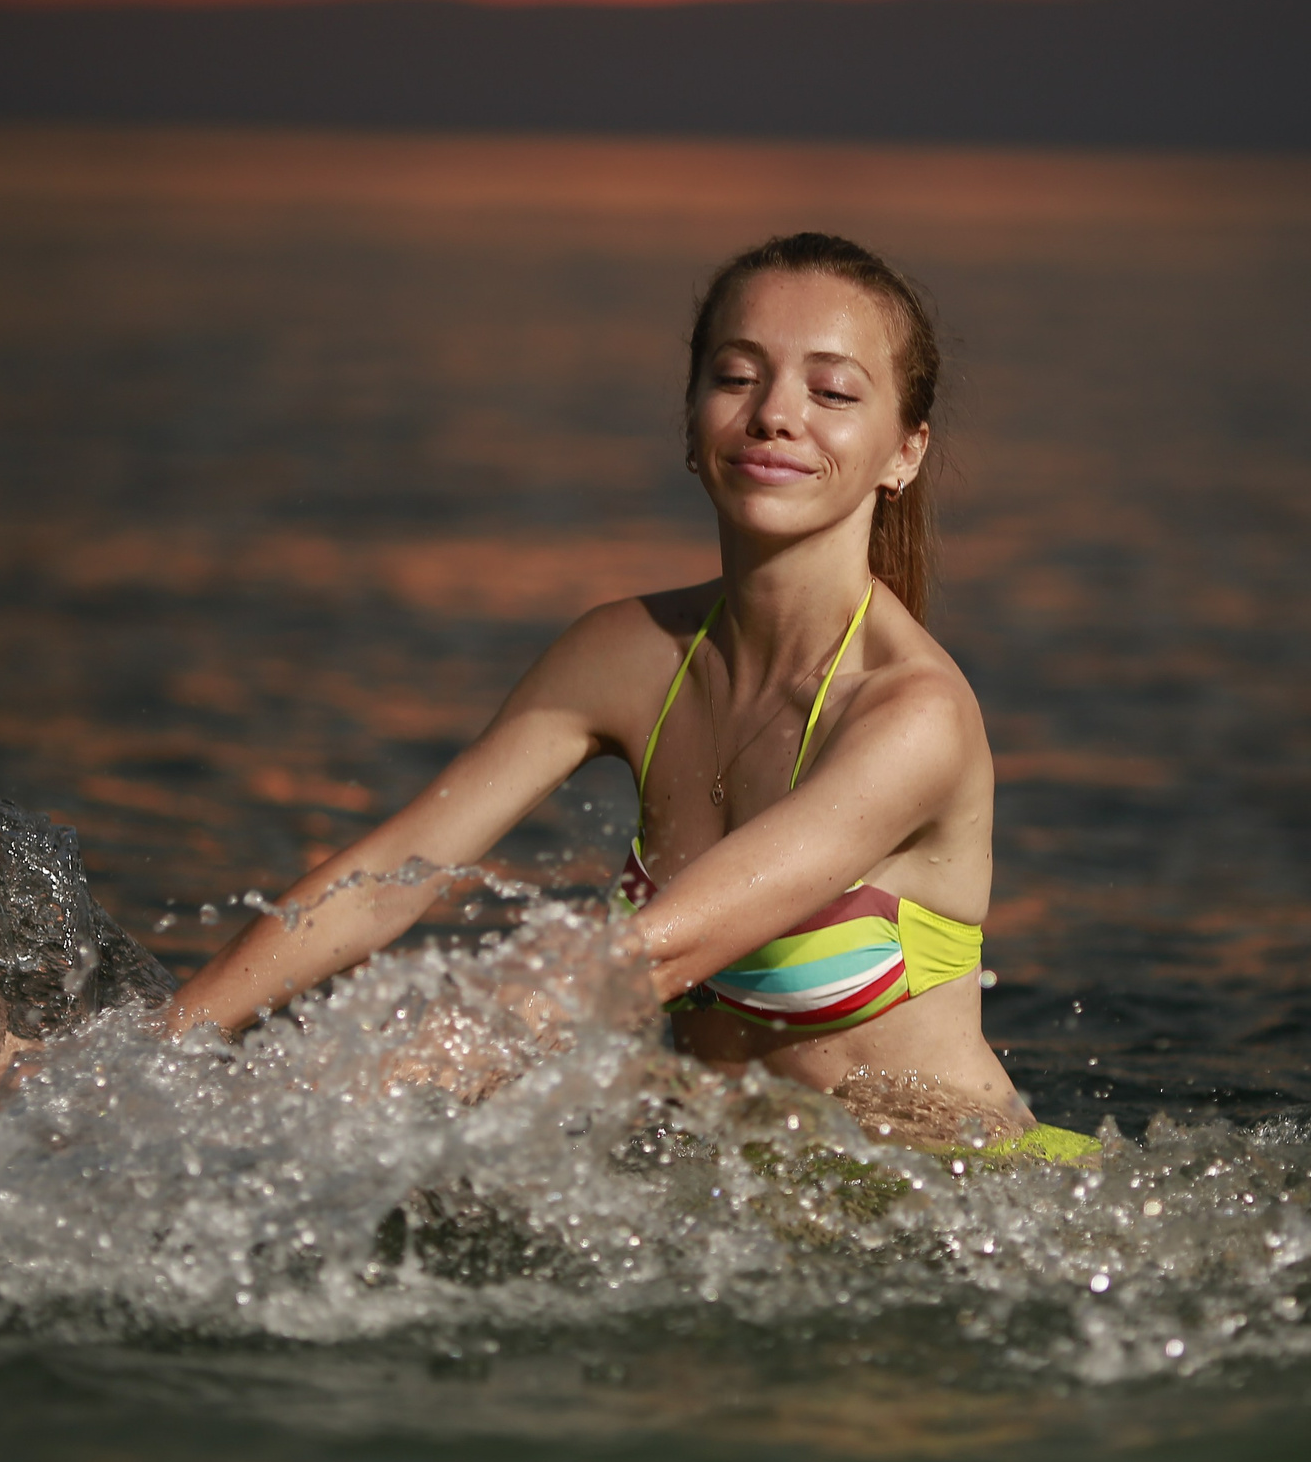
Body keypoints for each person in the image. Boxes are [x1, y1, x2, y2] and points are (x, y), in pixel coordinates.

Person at [167, 233, 1091, 1158]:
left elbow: (652, 955)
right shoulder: (624, 656)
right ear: (691, 419)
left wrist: (305, 1105)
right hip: (735, 1210)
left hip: (974, 1218)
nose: (775, 414)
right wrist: (152, 1061)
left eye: (833, 391)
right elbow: (389, 878)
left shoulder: (910, 716)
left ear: (905, 451)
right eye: (737, 377)